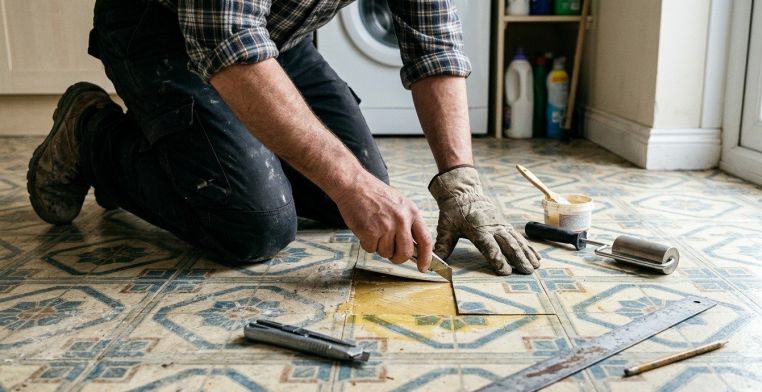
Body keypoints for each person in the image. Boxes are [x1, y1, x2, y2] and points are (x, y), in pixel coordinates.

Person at [26, 0, 541, 275]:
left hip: (275, 34)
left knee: (352, 185)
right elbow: (226, 36)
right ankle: (92, 133)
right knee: (255, 224)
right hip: (161, 25)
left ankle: (184, 145)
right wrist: (353, 188)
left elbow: (435, 42)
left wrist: (461, 183)